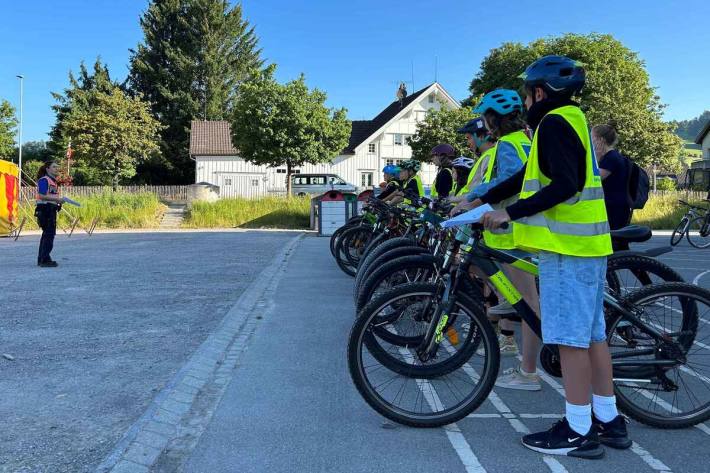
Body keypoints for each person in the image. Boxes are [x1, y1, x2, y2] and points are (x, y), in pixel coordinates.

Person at [477, 55, 630, 457]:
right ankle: (609, 419)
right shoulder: (572, 120)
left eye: (527, 94)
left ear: (540, 93)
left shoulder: (553, 124)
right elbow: (528, 172)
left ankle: (578, 429)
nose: (525, 101)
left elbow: (565, 184)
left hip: (567, 250)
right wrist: (480, 200)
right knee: (593, 336)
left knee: (571, 341)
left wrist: (509, 212)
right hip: (586, 248)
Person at [451, 91, 541, 388]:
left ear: (493, 119)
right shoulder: (528, 140)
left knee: (529, 304)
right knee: (525, 301)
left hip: (515, 230)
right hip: (526, 226)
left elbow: (508, 181)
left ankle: (528, 372)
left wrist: (473, 199)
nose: (484, 125)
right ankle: (506, 309)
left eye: (486, 118)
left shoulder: (508, 144)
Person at [592, 124, 632, 240]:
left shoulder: (611, 158)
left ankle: (625, 259)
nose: (592, 143)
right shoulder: (612, 157)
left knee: (615, 241)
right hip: (617, 205)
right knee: (618, 242)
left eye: (593, 138)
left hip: (614, 207)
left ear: (601, 140)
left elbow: (595, 179)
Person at [455, 117, 497, 194]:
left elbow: (484, 192)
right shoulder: (486, 155)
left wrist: (452, 201)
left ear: (481, 136)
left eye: (468, 138)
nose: (468, 143)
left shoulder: (489, 156)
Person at [35, 161, 64, 267]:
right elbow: (42, 195)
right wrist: (58, 199)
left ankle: (42, 258)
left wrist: (57, 201)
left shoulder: (53, 181)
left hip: (50, 209)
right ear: (47, 169)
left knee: (47, 234)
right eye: (54, 167)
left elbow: (49, 196)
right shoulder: (44, 180)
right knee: (49, 235)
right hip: (45, 209)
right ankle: (45, 259)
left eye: (57, 167)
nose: (57, 168)